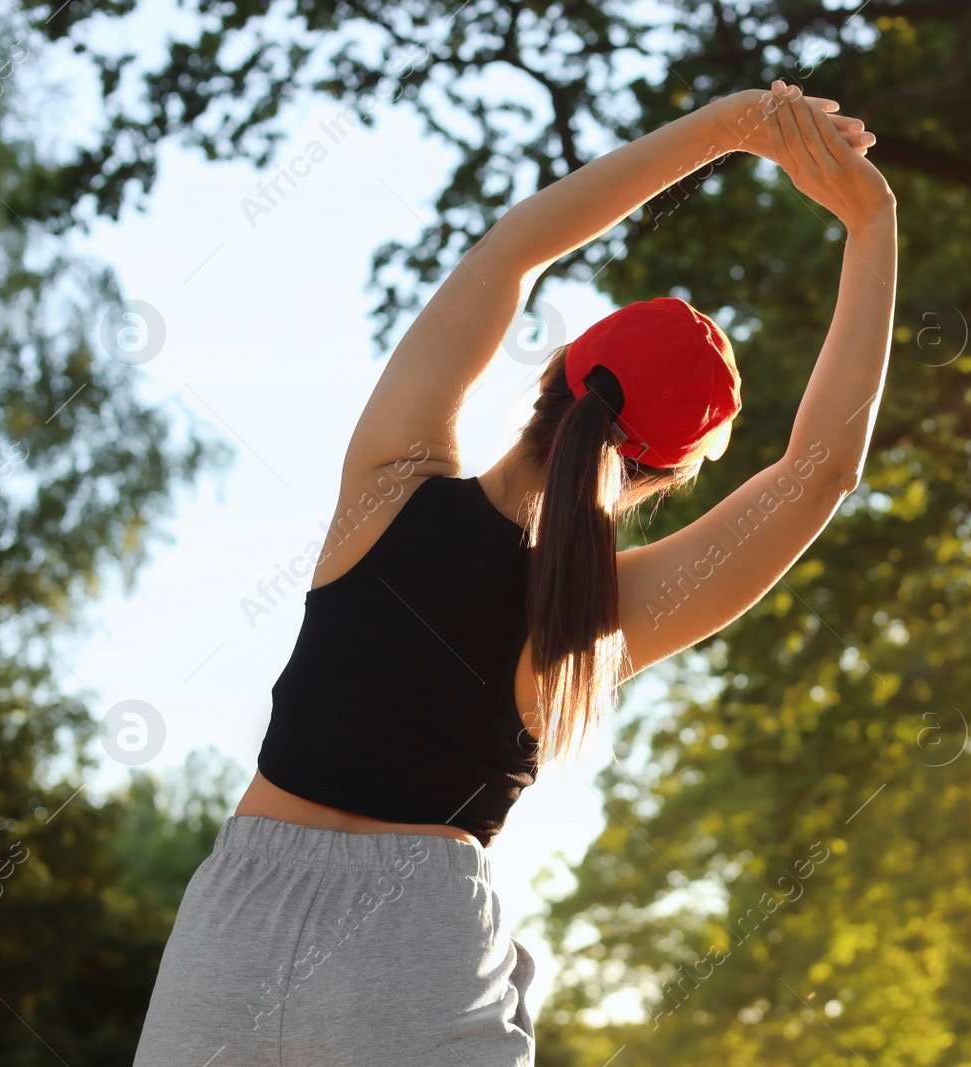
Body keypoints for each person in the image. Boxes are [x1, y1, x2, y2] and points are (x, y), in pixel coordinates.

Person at [134, 79, 897, 1066]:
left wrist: (727, 127)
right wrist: (871, 222)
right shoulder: (601, 614)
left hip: (227, 939)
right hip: (415, 945)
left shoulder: (389, 481)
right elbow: (819, 470)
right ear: (668, 472)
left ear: (557, 375)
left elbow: (517, 249)